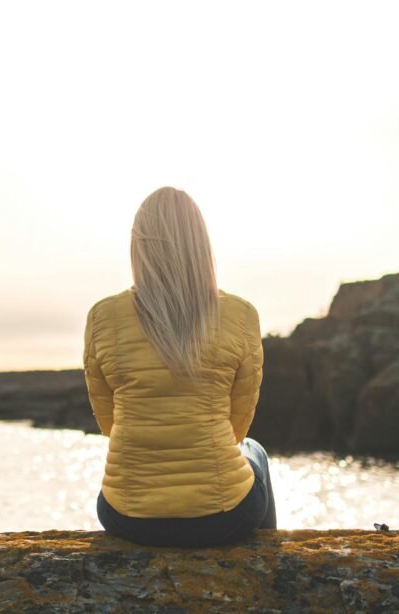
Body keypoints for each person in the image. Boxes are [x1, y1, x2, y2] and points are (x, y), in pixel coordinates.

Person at [83, 186, 276, 548]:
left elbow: (109, 422)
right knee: (255, 451)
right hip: (224, 517)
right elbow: (238, 423)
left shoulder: (102, 316)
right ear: (199, 245)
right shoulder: (241, 314)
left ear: (139, 246)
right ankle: (269, 574)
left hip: (126, 516)